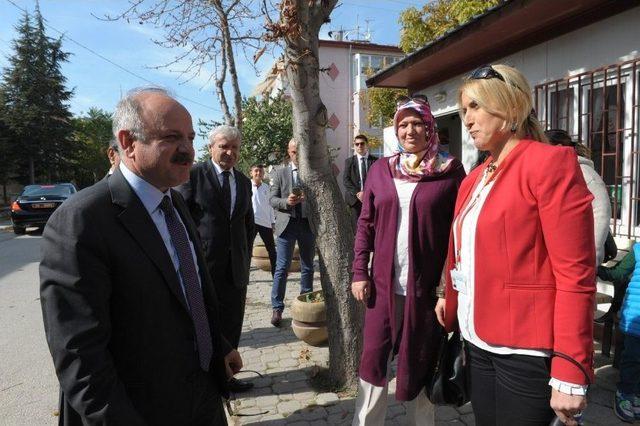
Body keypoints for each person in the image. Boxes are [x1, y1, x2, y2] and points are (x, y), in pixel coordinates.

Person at [40, 87, 242, 425]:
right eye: (172, 137)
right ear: (128, 141)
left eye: (191, 138)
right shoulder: (82, 220)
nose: (188, 150)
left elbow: (185, 292)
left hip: (203, 395)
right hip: (140, 410)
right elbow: (80, 357)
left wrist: (219, 346)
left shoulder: (173, 202)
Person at [435, 64, 596, 426]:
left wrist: (571, 366)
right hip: (476, 339)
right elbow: (460, 248)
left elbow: (576, 274)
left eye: (475, 107)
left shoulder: (549, 164)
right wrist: (448, 294)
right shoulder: (474, 177)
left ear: (509, 107)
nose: (468, 120)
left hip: (525, 349)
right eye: (464, 110)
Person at [351, 95, 465, 425]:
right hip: (382, 289)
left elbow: (459, 232)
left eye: (417, 123)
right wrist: (360, 270)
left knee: (422, 362)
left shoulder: (450, 171)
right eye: (403, 124)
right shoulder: (380, 170)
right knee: (373, 362)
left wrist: (448, 289)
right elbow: (365, 223)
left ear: (431, 128)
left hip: (427, 292)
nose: (410, 130)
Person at [177, 125, 255, 393]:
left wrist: (243, 257)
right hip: (203, 268)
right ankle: (206, 380)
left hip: (236, 271)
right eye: (224, 146)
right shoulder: (194, 176)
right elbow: (181, 220)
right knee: (206, 324)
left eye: (234, 147)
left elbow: (248, 225)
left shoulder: (244, 182)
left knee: (232, 324)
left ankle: (228, 377)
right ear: (211, 148)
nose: (229, 152)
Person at [545, 128, 611, 266]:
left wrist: (592, 258)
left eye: (543, 149)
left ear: (559, 148)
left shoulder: (584, 173)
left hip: (580, 260)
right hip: (559, 256)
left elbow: (601, 212)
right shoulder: (555, 172)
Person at [269, 139, 316, 327]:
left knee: (308, 266)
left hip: (306, 224)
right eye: (294, 151)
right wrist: (286, 202)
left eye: (300, 151)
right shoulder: (279, 173)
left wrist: (309, 199)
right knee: (282, 268)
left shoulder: (311, 173)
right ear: (289, 152)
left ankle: (306, 304)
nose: (297, 155)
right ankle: (277, 308)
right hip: (286, 225)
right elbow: (272, 199)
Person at [597, 243, 640, 421]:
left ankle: (636, 394)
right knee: (633, 358)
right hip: (636, 318)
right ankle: (625, 393)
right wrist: (594, 267)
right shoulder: (638, 250)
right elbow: (618, 273)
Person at [343, 134, 378, 230]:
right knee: (356, 229)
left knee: (372, 227)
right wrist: (358, 193)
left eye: (362, 143)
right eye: (357, 144)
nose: (359, 146)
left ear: (367, 145)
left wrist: (366, 193)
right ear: (354, 146)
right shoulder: (349, 161)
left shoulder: (375, 161)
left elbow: (377, 180)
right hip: (354, 200)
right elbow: (346, 180)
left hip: (371, 199)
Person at [249, 164, 277, 275]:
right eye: (256, 171)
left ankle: (276, 274)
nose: (258, 173)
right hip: (251, 222)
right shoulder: (246, 186)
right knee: (247, 249)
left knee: (271, 250)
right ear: (251, 173)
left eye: (260, 171)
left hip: (265, 223)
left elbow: (270, 206)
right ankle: (245, 273)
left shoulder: (267, 188)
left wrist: (273, 222)